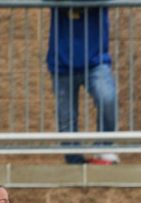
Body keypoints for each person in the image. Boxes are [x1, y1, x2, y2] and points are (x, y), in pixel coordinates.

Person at [46, 4, 118, 165]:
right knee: (66, 119)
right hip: (62, 62)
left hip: (96, 61)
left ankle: (103, 148)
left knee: (107, 99)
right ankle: (74, 161)